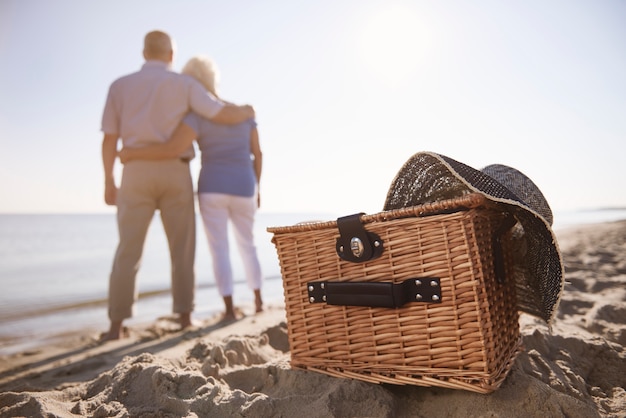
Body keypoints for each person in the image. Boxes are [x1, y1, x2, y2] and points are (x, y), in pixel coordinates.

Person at [101, 31, 255, 340]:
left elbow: (109, 138)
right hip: (176, 172)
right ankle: (185, 317)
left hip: (134, 172)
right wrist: (247, 111)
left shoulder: (119, 86)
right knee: (182, 249)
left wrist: (109, 180)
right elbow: (220, 113)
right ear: (171, 55)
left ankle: (117, 326)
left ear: (144, 53)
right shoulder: (185, 85)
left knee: (128, 250)